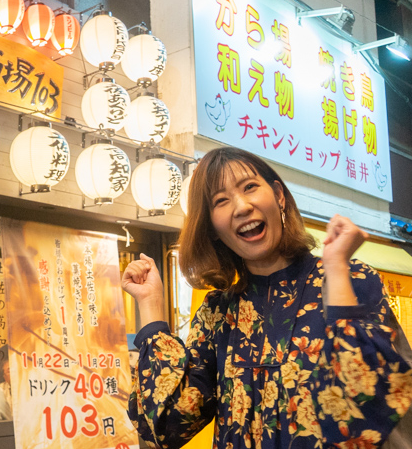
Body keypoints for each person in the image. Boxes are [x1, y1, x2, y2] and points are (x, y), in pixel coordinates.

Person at [122, 146, 412, 449]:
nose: (241, 207)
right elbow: (168, 427)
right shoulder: (218, 313)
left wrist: (337, 269)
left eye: (249, 187)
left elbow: (370, 406)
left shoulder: (351, 278)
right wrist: (151, 307)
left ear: (279, 196)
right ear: (213, 229)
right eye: (221, 201)